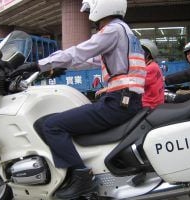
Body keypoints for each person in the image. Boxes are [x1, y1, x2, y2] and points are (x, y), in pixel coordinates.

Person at [36, 0, 146, 199]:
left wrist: (39, 65)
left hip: (119, 102)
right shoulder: (125, 32)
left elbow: (80, 51)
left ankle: (82, 176)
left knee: (52, 125)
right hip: (127, 100)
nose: (91, 18)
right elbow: (90, 59)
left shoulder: (112, 30)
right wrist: (59, 66)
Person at [141, 39, 164, 109]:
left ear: (147, 55)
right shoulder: (152, 65)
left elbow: (137, 83)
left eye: (141, 52)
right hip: (151, 103)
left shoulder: (151, 68)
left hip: (149, 105)